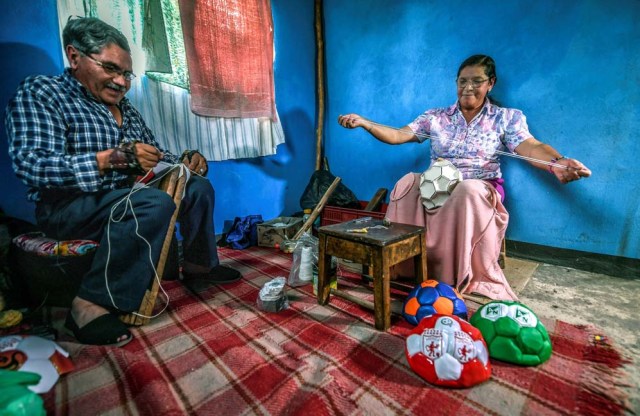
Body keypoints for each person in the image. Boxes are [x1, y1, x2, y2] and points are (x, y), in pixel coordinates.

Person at [5, 17, 242, 347]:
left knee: (197, 187)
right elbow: (31, 165)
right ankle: (89, 305)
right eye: (111, 69)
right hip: (68, 207)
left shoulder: (125, 108)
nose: (121, 82)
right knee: (152, 202)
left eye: (127, 74)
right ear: (75, 58)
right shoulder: (43, 92)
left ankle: (199, 265)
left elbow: (154, 155)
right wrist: (110, 159)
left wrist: (185, 160)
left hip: (122, 199)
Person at [338, 54, 591, 301]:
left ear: (490, 83)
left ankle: (452, 278)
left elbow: (531, 146)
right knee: (407, 182)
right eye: (462, 81)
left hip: (479, 186)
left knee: (466, 189)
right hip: (437, 183)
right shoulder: (436, 117)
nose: (468, 87)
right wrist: (365, 123)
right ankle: (403, 265)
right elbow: (397, 135)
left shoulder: (506, 118)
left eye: (477, 81)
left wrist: (556, 163)